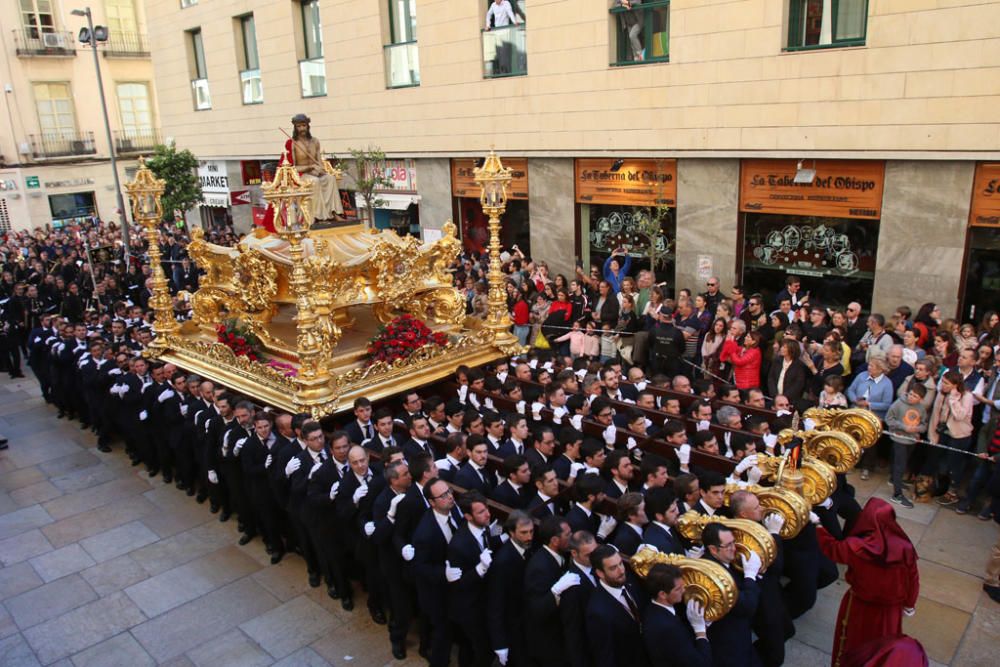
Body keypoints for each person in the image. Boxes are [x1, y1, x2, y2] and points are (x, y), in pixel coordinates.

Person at [816, 498, 919, 667]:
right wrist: (909, 605)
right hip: (890, 612)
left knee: (852, 644)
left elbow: (832, 549)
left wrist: (817, 526)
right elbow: (913, 578)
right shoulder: (905, 546)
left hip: (859, 607)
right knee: (885, 649)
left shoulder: (857, 547)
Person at [586, 544, 649, 667]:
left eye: (620, 563)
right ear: (600, 573)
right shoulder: (597, 612)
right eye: (613, 568)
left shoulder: (630, 580)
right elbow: (606, 657)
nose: (621, 570)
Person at [642, 563, 711, 667]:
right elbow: (701, 664)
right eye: (678, 589)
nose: (683, 591)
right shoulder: (667, 628)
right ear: (662, 594)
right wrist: (700, 631)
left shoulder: (653, 608)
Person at [285, 114, 343, 222]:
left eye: (304, 125)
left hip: (315, 172)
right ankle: (317, 216)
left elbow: (319, 161)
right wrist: (309, 168)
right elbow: (293, 168)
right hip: (302, 175)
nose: (302, 128)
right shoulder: (293, 143)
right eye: (299, 126)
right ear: (295, 128)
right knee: (314, 182)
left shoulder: (315, 141)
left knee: (330, 178)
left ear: (308, 126)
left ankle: (333, 212)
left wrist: (320, 169)